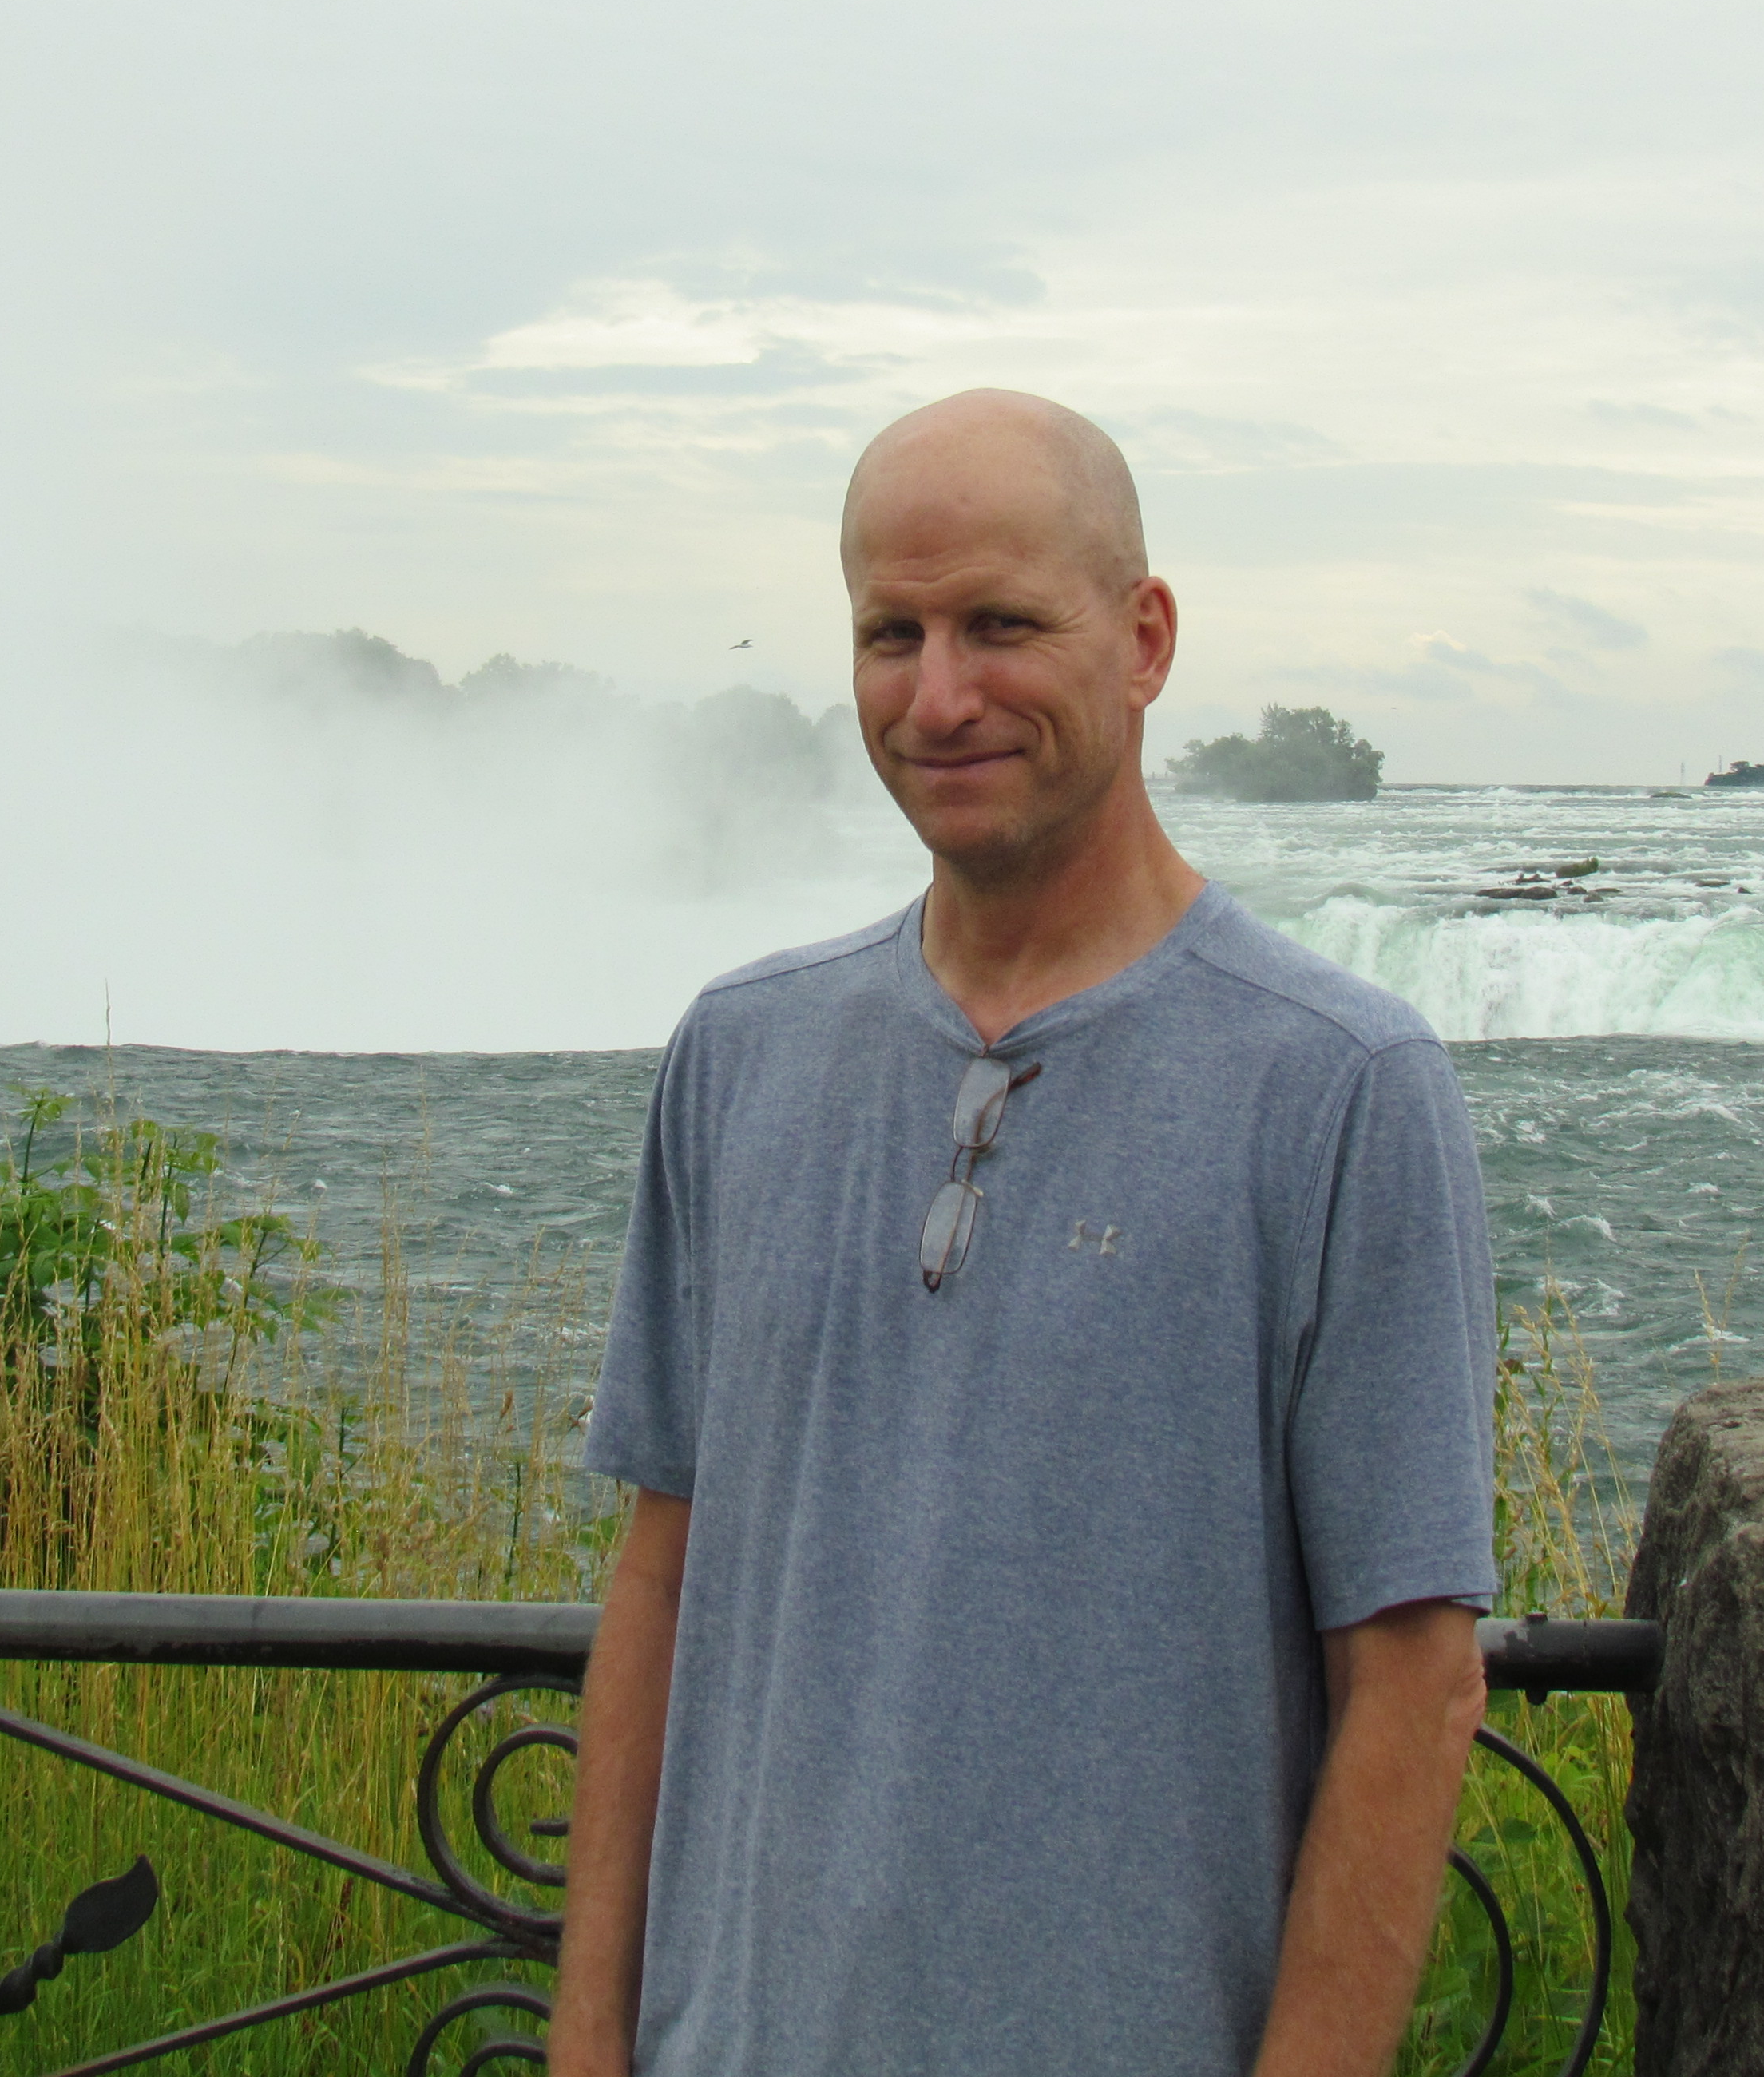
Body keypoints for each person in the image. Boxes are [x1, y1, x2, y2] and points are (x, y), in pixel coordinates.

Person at [554, 389, 1499, 2077]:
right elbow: (659, 1576)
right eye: (888, 633)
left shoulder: (1342, 1089)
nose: (940, 695)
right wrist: (588, 2044)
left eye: (1001, 625)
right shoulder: (738, 1056)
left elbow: (1416, 1687)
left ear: (1143, 640)